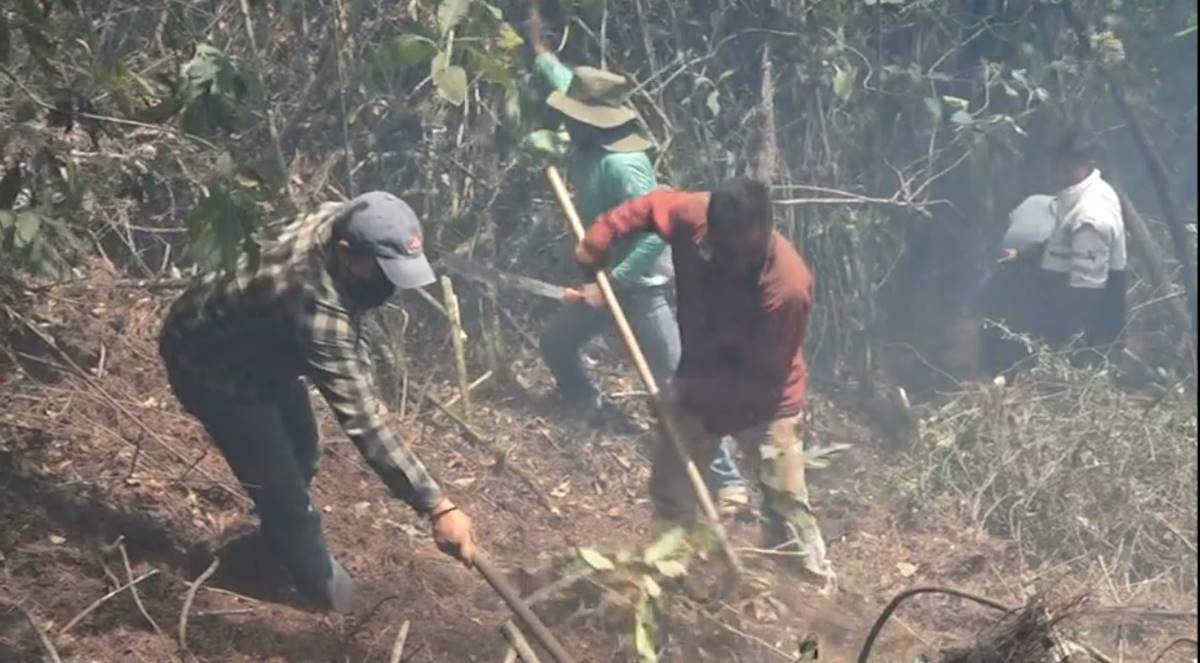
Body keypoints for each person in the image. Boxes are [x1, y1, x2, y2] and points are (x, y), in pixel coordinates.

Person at [159, 192, 476, 613]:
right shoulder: (313, 303)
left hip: (261, 345)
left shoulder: (338, 220)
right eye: (383, 272)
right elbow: (363, 420)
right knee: (287, 496)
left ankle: (256, 556)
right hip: (211, 365)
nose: (391, 285)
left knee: (304, 452)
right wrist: (438, 506)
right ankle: (336, 604)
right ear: (346, 254)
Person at [525, 8, 748, 512]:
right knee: (557, 343)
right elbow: (557, 75)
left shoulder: (625, 166)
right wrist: (539, 49)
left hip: (642, 283)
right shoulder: (583, 135)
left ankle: (728, 480)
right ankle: (588, 406)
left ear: (591, 120)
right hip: (605, 275)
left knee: (679, 381)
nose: (563, 118)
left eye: (570, 114)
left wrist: (612, 285)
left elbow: (658, 236)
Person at [575, 177, 837, 591]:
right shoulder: (693, 217)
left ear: (764, 231)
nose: (729, 262)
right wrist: (602, 233)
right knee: (671, 486)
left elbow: (757, 378)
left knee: (785, 504)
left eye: (740, 252)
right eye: (722, 247)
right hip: (701, 379)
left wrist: (683, 395)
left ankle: (815, 594)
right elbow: (651, 205)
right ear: (710, 227)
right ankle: (666, 574)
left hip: (766, 399)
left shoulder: (786, 289)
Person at [997, 131, 1127, 357]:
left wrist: (1070, 340)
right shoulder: (1083, 193)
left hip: (1087, 306)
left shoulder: (1091, 218)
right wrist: (1023, 254)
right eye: (1057, 168)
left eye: (1067, 169)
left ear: (1088, 164)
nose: (1059, 175)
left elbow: (1087, 291)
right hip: (1075, 293)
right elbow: (1062, 241)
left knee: (1085, 363)